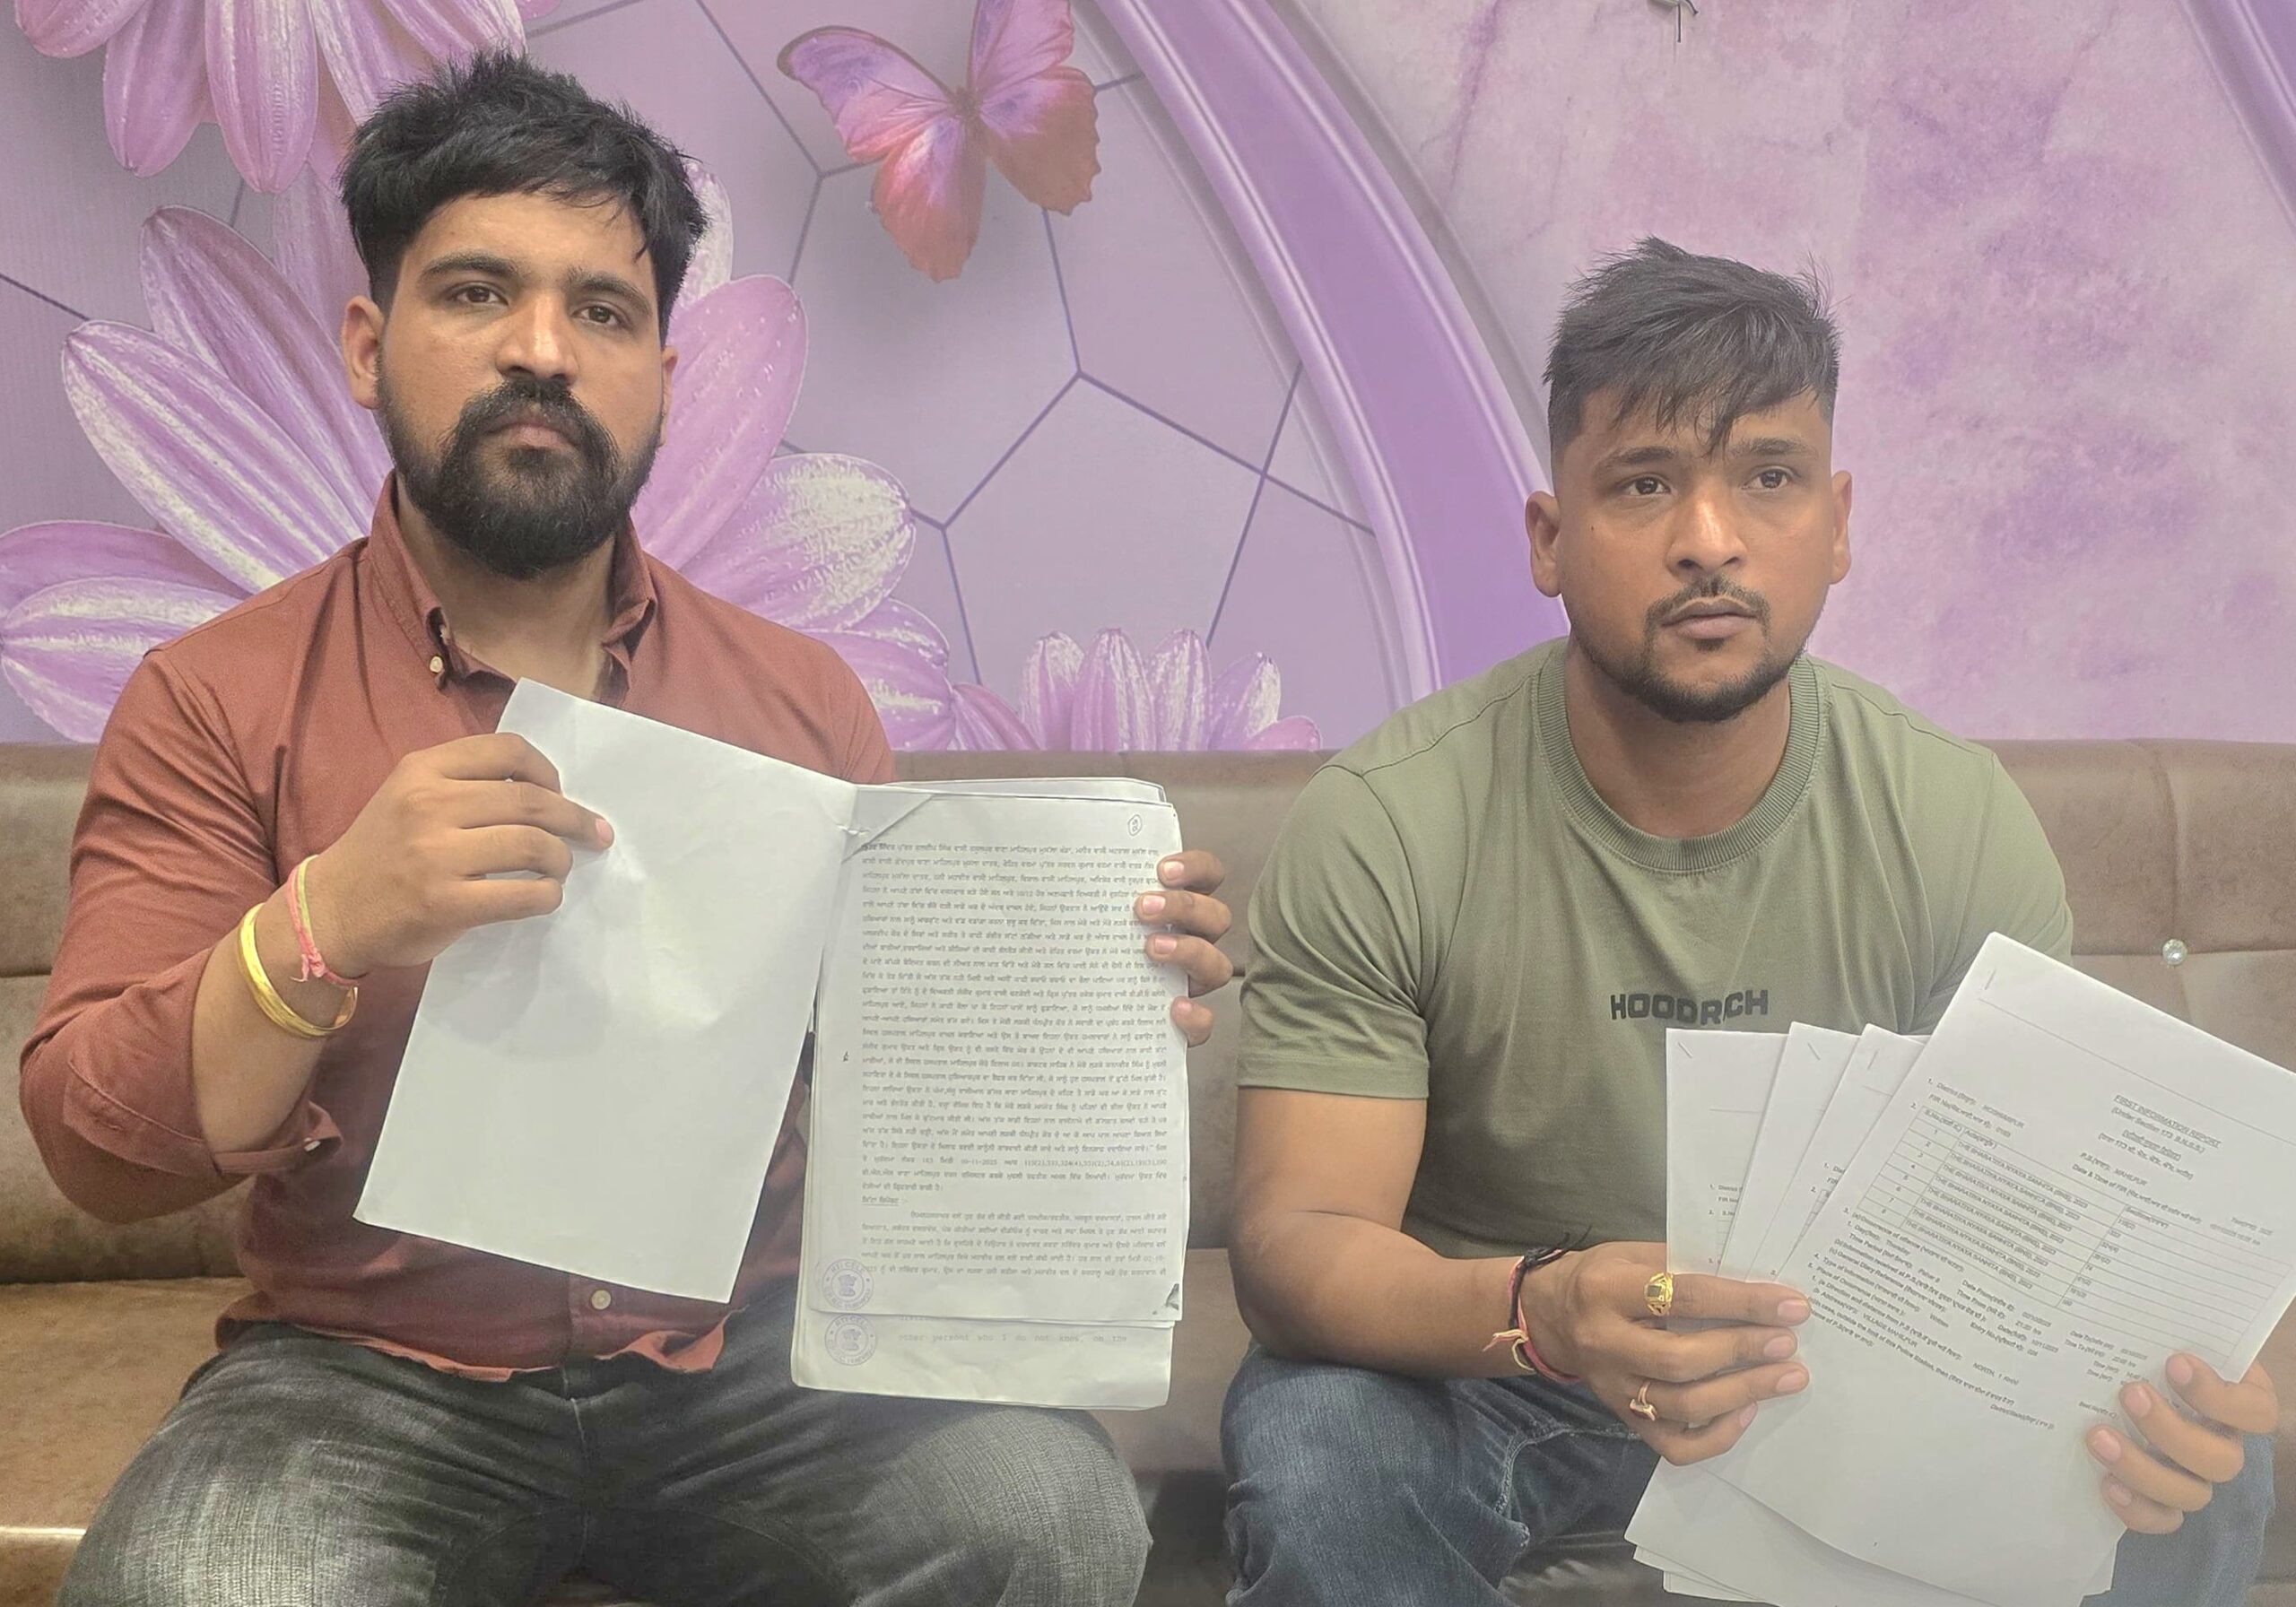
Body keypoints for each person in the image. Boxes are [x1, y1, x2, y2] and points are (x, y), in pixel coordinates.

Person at [22, 51, 1235, 1607]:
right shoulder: (215, 694)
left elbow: (885, 1088)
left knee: (1045, 1519)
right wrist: (327, 921)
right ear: (368, 349)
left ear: (663, 375)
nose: (543, 350)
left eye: (601, 312)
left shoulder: (799, 698)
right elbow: (98, 1151)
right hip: (366, 1374)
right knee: (201, 1588)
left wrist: (1087, 1001)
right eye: (476, 294)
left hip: (762, 1366)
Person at [1220, 238, 2277, 1605]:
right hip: (1500, 1365)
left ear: (1836, 524)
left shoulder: (1951, 818)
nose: (1709, 540)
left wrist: (2179, 1391)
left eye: (1768, 479)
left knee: (2189, 1477)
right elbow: (1300, 1245)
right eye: (1644, 483)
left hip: (1844, 1368)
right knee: (1319, 1440)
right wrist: (1545, 1307)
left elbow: (2046, 1231)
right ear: (1549, 539)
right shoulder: (1391, 818)